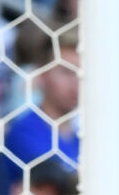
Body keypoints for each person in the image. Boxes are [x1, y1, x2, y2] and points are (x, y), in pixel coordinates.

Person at [5, 20, 80, 183]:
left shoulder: (83, 136)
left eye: (80, 73)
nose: (76, 82)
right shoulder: (24, 132)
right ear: (41, 74)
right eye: (66, 72)